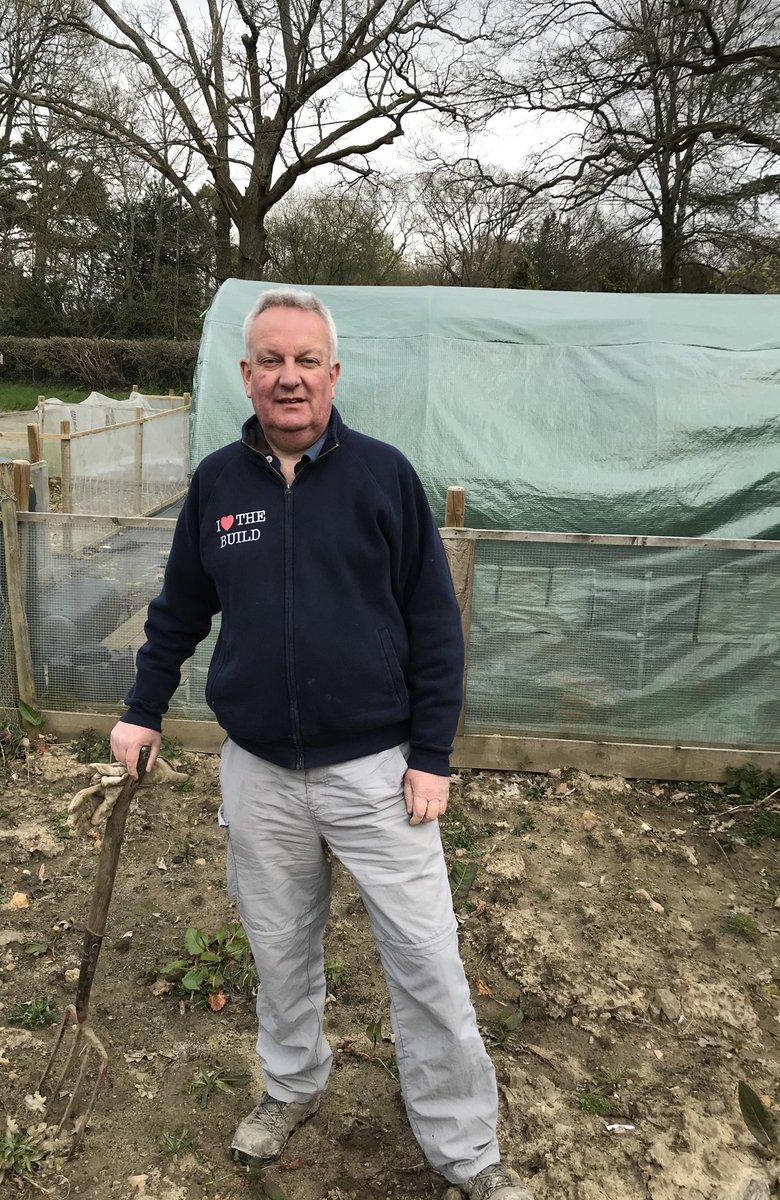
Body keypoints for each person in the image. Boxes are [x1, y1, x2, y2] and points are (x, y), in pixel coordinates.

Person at [111, 288, 534, 1200]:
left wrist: (431, 755)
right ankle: (292, 1087)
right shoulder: (219, 485)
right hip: (259, 770)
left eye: (306, 361)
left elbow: (434, 624)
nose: (289, 377)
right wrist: (143, 708)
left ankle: (466, 1149)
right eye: (271, 360)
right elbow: (179, 610)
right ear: (248, 375)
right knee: (279, 949)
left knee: (426, 960)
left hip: (377, 772)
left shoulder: (384, 478)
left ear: (333, 374)